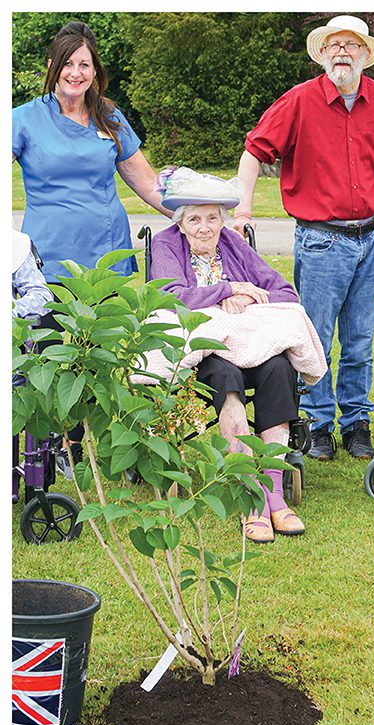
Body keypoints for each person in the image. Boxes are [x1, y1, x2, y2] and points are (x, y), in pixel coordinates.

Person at [233, 14, 374, 462]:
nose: (342, 52)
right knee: (315, 338)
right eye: (334, 45)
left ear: (365, 55)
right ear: (323, 54)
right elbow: (255, 150)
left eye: (351, 45)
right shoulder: (300, 100)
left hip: (372, 238)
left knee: (360, 341)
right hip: (321, 241)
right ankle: (317, 423)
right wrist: (243, 207)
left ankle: (356, 421)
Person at [149, 168, 307, 544]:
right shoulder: (166, 244)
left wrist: (249, 296)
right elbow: (170, 294)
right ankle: (251, 497)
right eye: (195, 219)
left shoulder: (234, 244)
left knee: (279, 369)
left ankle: (275, 492)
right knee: (225, 377)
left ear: (222, 219)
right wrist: (224, 292)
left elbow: (283, 290)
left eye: (212, 217)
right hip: (203, 352)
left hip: (249, 344)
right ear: (181, 223)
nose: (204, 227)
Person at [12, 21, 170, 283]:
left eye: (84, 65)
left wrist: (200, 219)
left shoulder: (110, 117)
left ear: (94, 71)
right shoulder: (22, 119)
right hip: (48, 261)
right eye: (67, 63)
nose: (76, 73)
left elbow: (148, 185)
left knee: (109, 325)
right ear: (51, 66)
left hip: (106, 256)